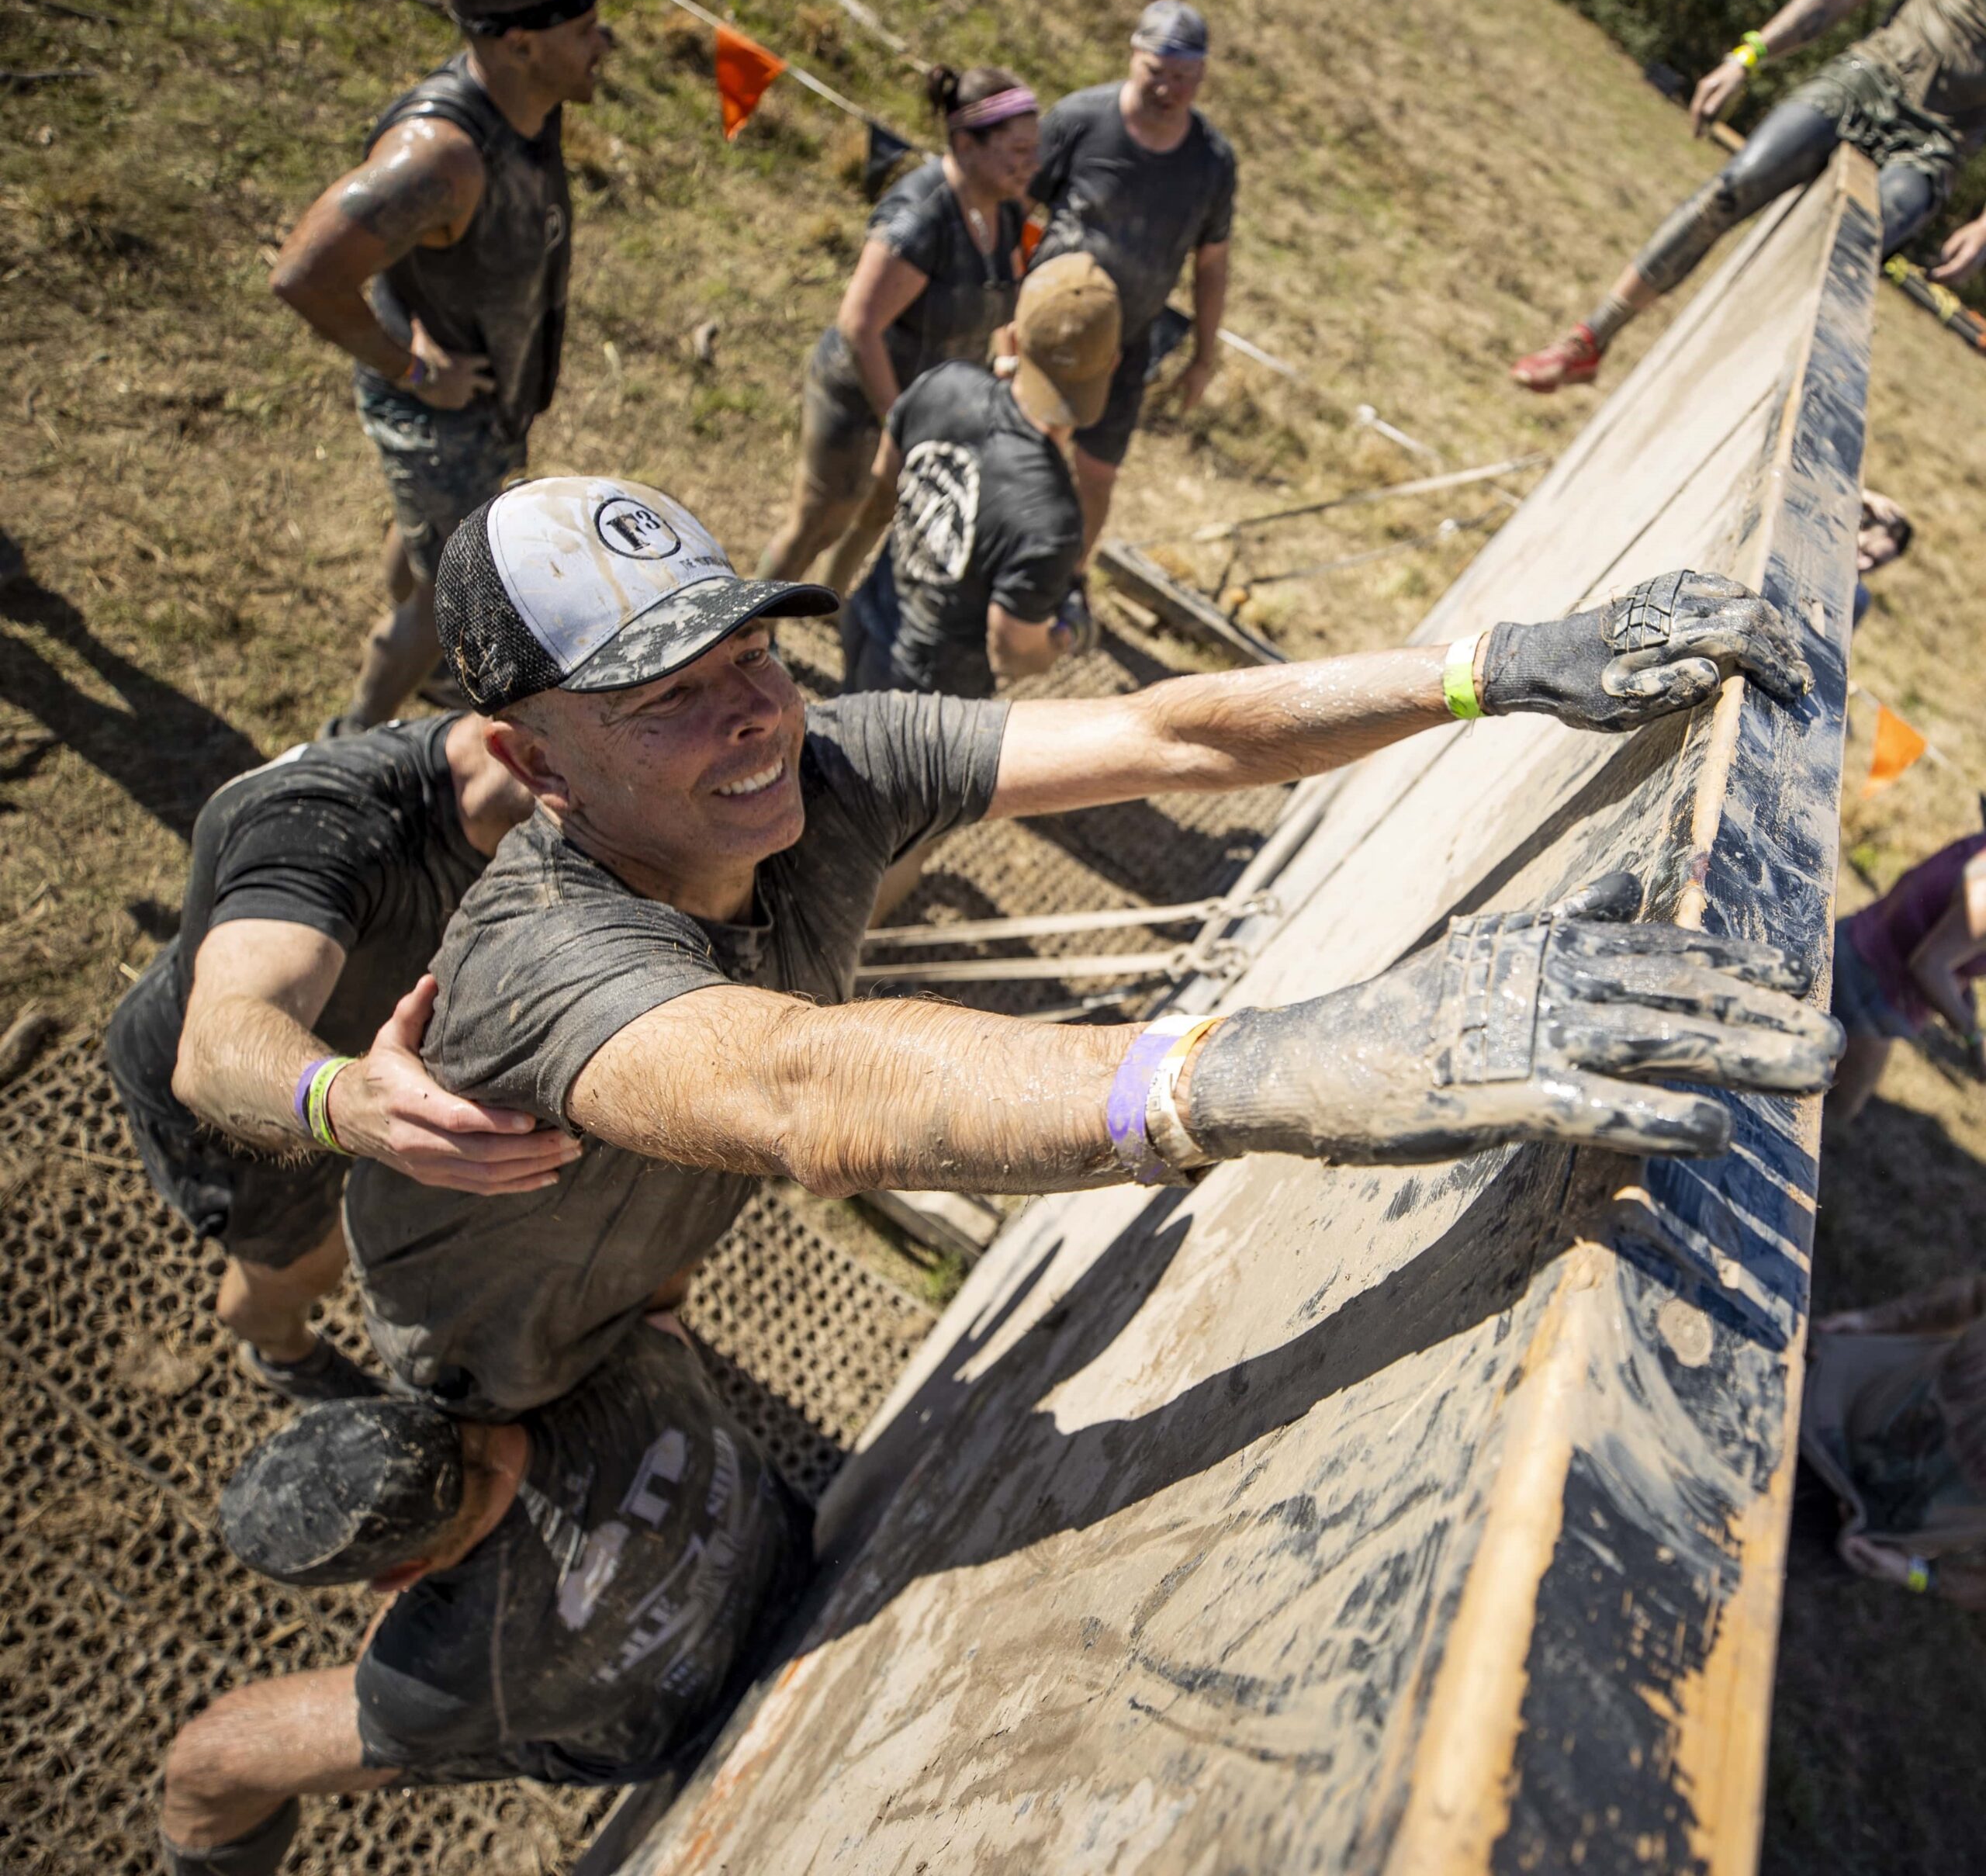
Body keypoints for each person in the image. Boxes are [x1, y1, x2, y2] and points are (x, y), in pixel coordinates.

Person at [334, 477, 1839, 1425]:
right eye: (664, 693)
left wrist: (1492, 667)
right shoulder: (536, 954)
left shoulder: (833, 762)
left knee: (647, 1328)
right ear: (535, 767)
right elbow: (799, 1088)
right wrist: (1266, 1065)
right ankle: (306, 1349)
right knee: (505, 1490)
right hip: (478, 1320)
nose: (752, 713)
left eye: (753, 653)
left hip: (644, 1252)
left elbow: (1162, 729)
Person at [155, 1310, 808, 1876]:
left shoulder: (439, 1671)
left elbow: (225, 1758)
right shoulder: (613, 1350)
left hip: (676, 1732)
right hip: (786, 1554)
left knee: (209, 1762)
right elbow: (663, 1296)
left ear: (399, 1577)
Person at [104, 714, 576, 1401]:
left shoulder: (539, 801)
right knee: (304, 1266)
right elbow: (215, 1049)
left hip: (357, 1072)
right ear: (532, 753)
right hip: (242, 1111)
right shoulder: (324, 819)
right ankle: (276, 1348)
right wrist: (347, 1106)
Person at [269, 0, 624, 731]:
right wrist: (414, 369)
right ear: (520, 41)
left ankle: (423, 664)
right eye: (587, 28)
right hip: (441, 413)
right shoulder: (439, 156)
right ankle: (350, 746)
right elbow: (303, 274)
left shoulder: (532, 101)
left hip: (487, 405)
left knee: (436, 548)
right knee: (445, 599)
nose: (606, 41)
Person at [1513, 0, 1986, 393]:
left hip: (1936, 142)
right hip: (1871, 78)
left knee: (1842, 257)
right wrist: (1748, 55)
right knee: (1735, 184)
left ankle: (1706, 387)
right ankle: (1589, 340)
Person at [756, 65, 1040, 587]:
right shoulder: (922, 219)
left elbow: (1004, 293)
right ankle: (750, 634)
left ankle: (834, 602)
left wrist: (1006, 356)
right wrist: (897, 422)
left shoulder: (1001, 211)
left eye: (1033, 148)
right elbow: (858, 324)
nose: (1031, 163)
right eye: (1017, 150)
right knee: (819, 523)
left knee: (880, 512)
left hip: (923, 407)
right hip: (864, 401)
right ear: (965, 143)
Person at [840, 253, 1117, 698]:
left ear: (1014, 334)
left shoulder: (944, 384)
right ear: (1112, 363)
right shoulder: (1053, 523)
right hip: (928, 701)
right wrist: (1066, 636)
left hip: (872, 618)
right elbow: (1012, 652)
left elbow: (885, 479)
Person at [1028, 0, 1236, 552]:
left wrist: (1203, 356)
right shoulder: (1079, 120)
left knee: (1097, 474)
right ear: (1133, 58)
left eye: (1183, 78)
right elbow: (1011, 209)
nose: (1167, 89)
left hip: (1129, 341)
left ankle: (1070, 576)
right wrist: (1007, 315)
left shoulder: (1211, 162)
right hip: (1052, 325)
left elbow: (1211, 262)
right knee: (1029, 448)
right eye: (1156, 74)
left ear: (1202, 75)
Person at [1802, 1272, 1986, 1608]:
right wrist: (1873, 1322)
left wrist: (1913, 1573)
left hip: (1844, 1529)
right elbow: (1974, 1295)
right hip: (1812, 1395)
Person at [1827, 826, 1986, 1119]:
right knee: (1832, 1111)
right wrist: (1973, 1036)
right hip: (1869, 988)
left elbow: (1956, 950)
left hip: (1859, 951)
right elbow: (1930, 966)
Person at [1854, 488, 1914, 625]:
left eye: (1876, 564)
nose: (1864, 565)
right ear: (1860, 527)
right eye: (1865, 551)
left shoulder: (1856, 599)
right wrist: (1860, 496)